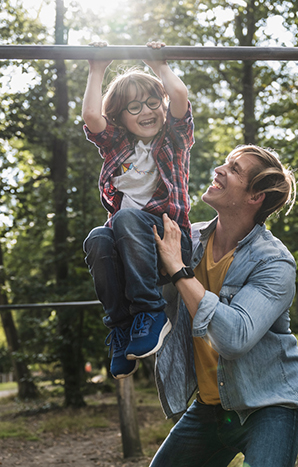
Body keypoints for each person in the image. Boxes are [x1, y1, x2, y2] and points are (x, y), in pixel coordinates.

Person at [150, 145, 298, 467]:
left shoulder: (274, 262)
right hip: (211, 405)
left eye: (234, 169)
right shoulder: (187, 240)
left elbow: (234, 338)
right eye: (225, 162)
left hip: (271, 404)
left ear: (255, 197)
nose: (219, 170)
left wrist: (179, 270)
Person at [82, 41, 194, 379]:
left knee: (125, 218)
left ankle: (151, 311)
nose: (146, 111)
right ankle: (121, 328)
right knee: (98, 238)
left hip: (170, 244)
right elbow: (91, 116)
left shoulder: (173, 139)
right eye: (134, 107)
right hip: (129, 252)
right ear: (118, 117)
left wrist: (158, 64)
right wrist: (96, 68)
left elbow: (179, 97)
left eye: (151, 102)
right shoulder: (117, 145)